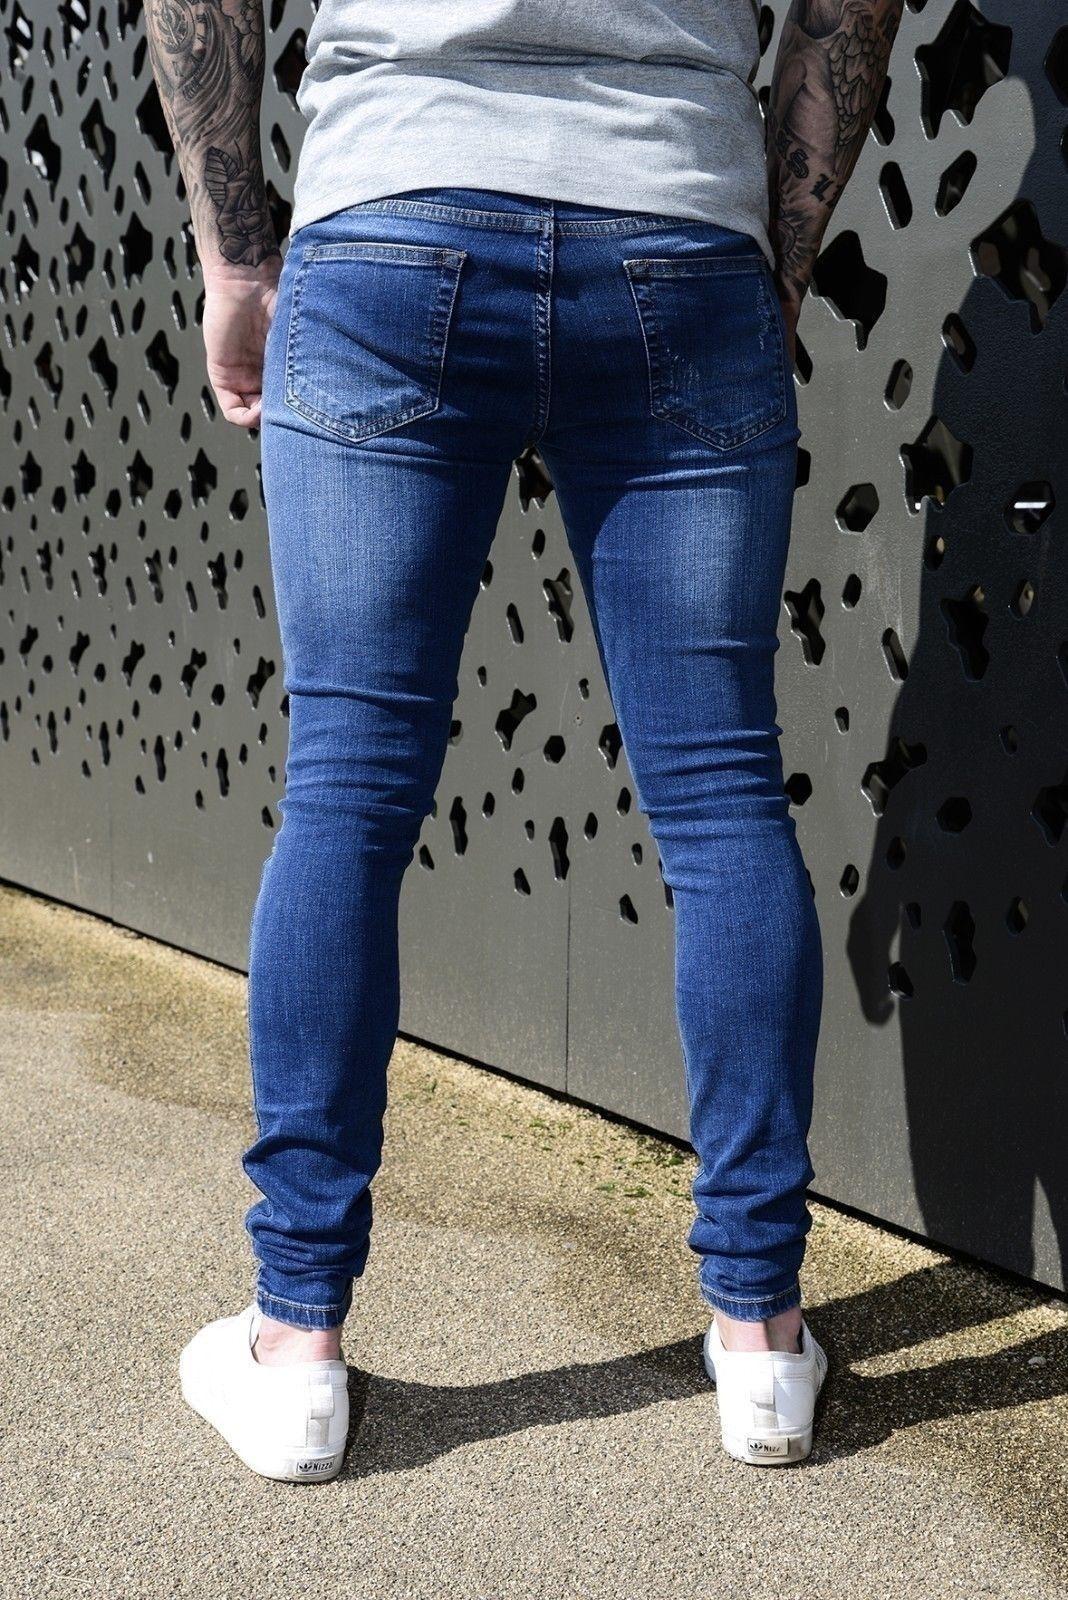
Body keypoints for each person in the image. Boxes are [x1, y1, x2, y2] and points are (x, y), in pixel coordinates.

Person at [146, 0, 903, 1479]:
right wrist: (774, 255)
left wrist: (235, 258)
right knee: (722, 796)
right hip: (677, 217)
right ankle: (761, 1341)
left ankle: (296, 1351)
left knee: (349, 793)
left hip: (394, 204)